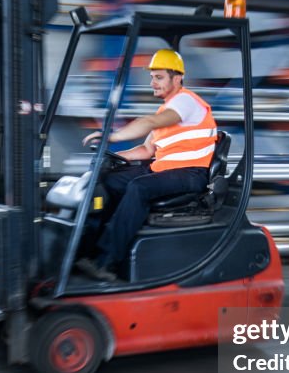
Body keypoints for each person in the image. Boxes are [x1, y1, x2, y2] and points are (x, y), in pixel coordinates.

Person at [77, 49, 217, 281]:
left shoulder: (186, 102)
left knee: (139, 187)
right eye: (152, 77)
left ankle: (106, 261)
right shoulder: (167, 110)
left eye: (159, 77)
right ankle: (88, 250)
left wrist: (110, 136)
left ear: (177, 78)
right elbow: (146, 150)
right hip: (164, 169)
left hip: (191, 173)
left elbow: (149, 122)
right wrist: (113, 156)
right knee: (108, 180)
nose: (152, 82)